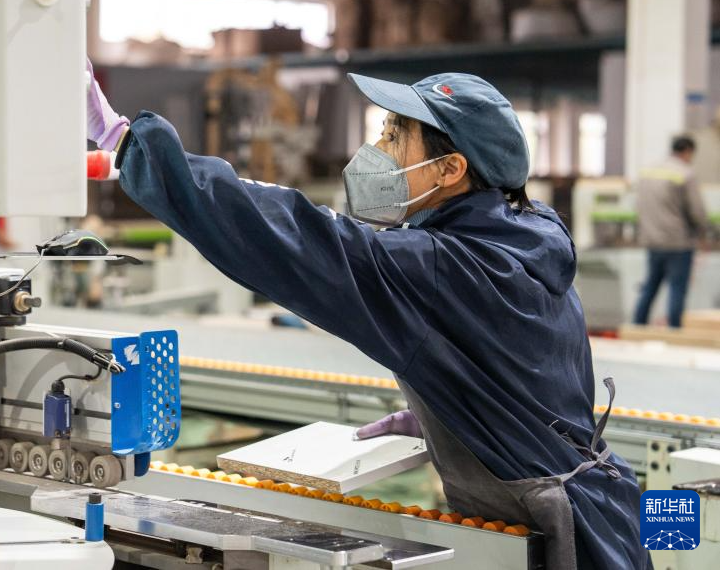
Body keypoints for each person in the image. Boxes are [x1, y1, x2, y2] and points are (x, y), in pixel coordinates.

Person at [87, 68, 649, 570]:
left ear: (450, 169)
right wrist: (458, 412)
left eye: (394, 137)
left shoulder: (437, 267)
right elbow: (539, 371)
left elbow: (289, 237)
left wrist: (128, 144)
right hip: (602, 509)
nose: (375, 150)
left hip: (557, 537)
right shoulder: (526, 234)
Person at [633, 135, 708, 328]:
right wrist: (703, 231)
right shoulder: (685, 173)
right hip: (678, 242)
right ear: (688, 152)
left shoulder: (648, 171)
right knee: (677, 289)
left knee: (650, 287)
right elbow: (697, 211)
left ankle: (637, 327)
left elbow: (638, 205)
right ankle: (674, 331)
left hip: (652, 241)